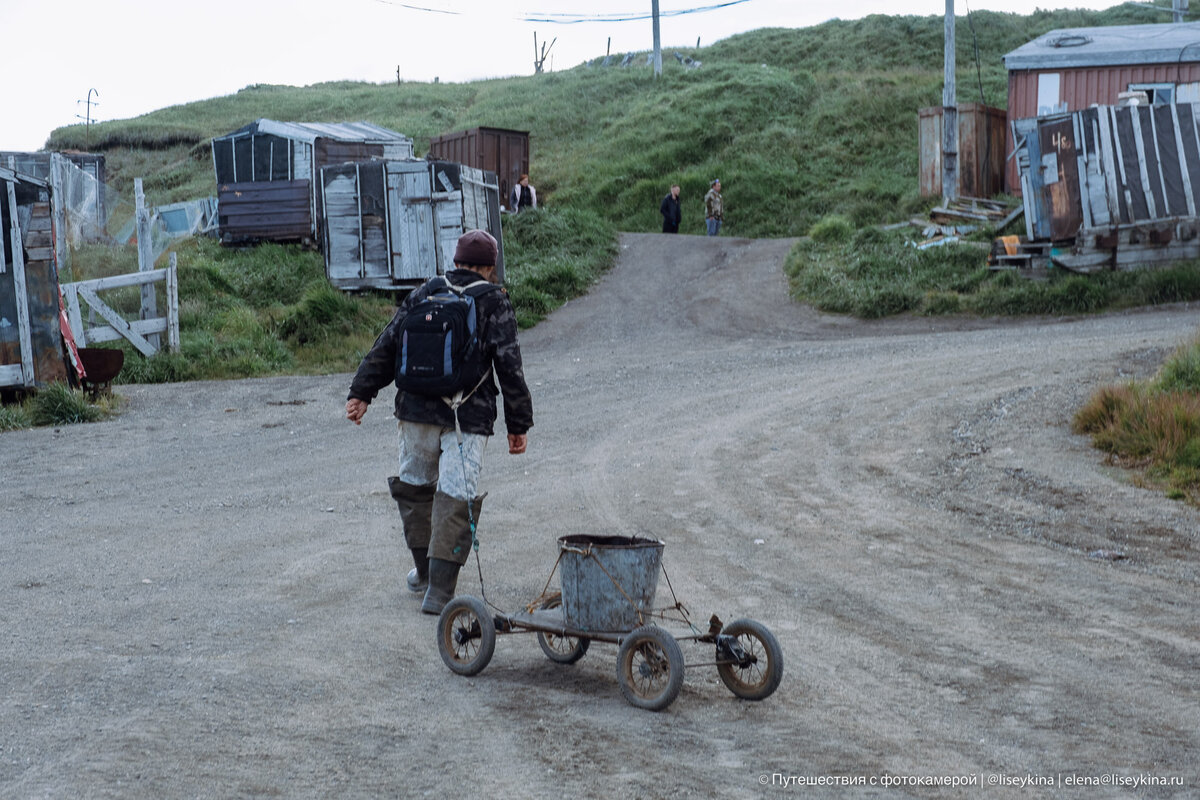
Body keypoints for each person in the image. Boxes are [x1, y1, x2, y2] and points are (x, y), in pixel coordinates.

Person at [345, 229, 533, 615]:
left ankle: (423, 571)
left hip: (415, 413)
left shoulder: (425, 291)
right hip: (469, 416)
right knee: (454, 496)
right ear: (489, 267)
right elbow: (509, 365)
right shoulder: (493, 300)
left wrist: (361, 393)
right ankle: (439, 592)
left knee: (415, 491)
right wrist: (519, 425)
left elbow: (388, 343)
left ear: (457, 261)